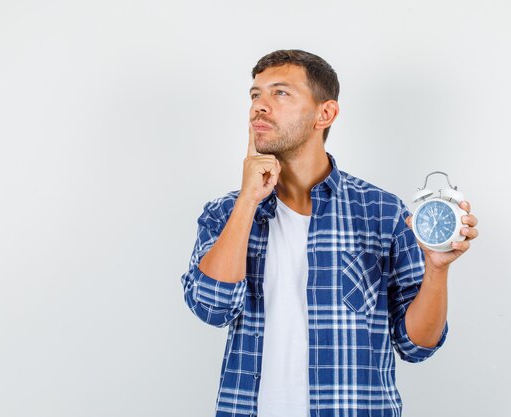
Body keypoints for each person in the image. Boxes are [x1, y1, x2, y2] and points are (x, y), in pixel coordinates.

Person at [180, 49, 478, 417]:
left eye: (280, 93)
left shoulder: (383, 212)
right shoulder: (225, 212)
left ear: (326, 113)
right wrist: (247, 201)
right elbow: (212, 307)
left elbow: (417, 346)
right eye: (255, 95)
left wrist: (437, 268)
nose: (260, 106)